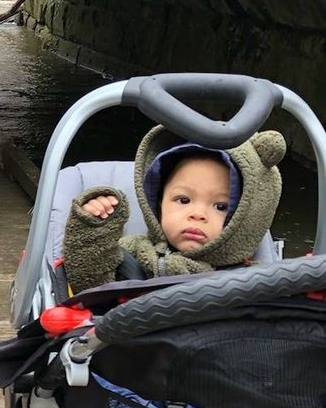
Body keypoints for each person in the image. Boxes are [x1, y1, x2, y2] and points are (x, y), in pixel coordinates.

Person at [62, 125, 287, 295]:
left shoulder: (252, 280)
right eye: (183, 200)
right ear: (158, 203)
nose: (198, 215)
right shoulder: (135, 252)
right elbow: (88, 282)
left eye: (220, 207)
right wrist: (93, 229)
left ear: (244, 218)